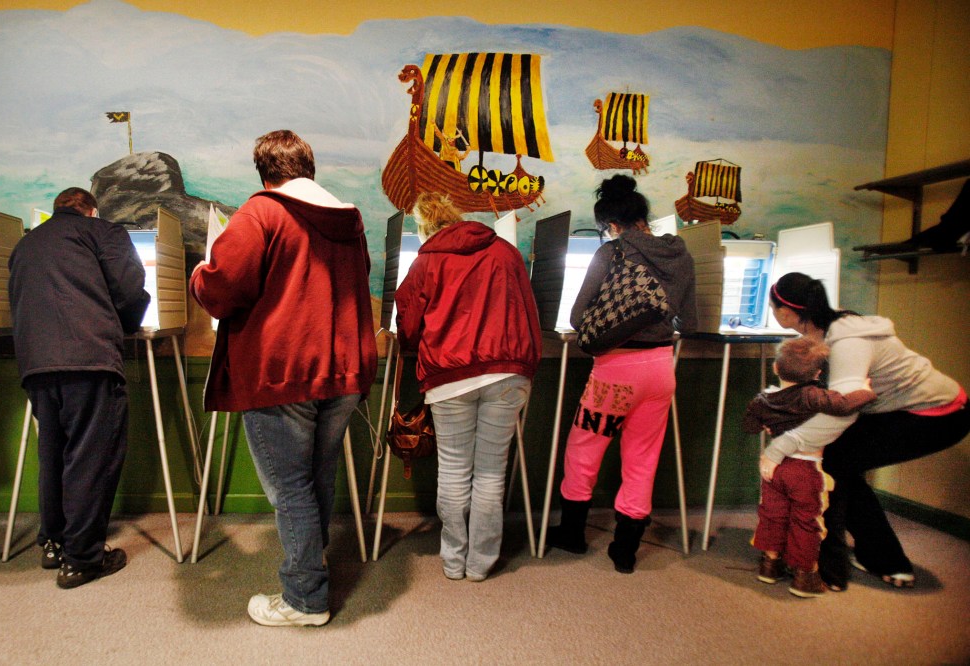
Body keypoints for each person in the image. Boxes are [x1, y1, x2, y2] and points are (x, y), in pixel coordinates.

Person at [189, 130, 377, 626]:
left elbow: (223, 285)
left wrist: (197, 274)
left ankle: (305, 600)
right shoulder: (349, 221)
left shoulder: (263, 212)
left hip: (284, 371)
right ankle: (312, 569)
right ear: (309, 170)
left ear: (265, 173)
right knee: (318, 478)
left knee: (289, 488)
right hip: (344, 371)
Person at [767, 272, 969, 591]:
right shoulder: (826, 327)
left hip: (940, 415)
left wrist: (782, 446)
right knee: (836, 459)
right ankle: (873, 556)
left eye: (773, 306)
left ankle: (869, 562)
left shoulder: (845, 341)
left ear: (786, 312)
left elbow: (843, 409)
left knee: (835, 461)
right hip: (903, 408)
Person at [546, 174, 697, 573]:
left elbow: (580, 316)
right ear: (642, 216)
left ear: (611, 225)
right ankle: (625, 550)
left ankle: (573, 534)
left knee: (584, 450)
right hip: (661, 370)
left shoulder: (611, 253)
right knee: (642, 459)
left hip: (615, 374)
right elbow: (691, 321)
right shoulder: (680, 254)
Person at [394, 192, 541, 582]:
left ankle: (453, 559)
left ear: (427, 226)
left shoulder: (427, 260)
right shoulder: (506, 253)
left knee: (455, 470)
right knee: (491, 473)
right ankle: (480, 564)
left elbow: (408, 324)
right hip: (508, 373)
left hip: (449, 377)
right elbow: (529, 312)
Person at [8, 187, 150, 589]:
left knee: (53, 452)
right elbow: (128, 287)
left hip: (35, 363)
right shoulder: (102, 232)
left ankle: (54, 542)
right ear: (91, 210)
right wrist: (127, 324)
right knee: (92, 455)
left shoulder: (24, 244)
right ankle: (83, 558)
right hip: (87, 356)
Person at [744, 337, 876, 597]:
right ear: (817, 374)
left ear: (775, 368)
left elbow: (749, 426)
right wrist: (865, 390)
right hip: (805, 470)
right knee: (806, 522)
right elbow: (844, 404)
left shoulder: (763, 399)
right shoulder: (812, 396)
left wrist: (767, 424)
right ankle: (805, 576)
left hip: (774, 470)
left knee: (773, 515)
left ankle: (769, 565)